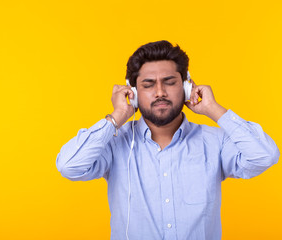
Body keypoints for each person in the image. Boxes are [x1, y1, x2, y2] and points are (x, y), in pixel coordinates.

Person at [56, 40, 280, 240]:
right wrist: (116, 117)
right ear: (132, 92)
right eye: (148, 84)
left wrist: (213, 109)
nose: (160, 92)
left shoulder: (215, 142)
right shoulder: (114, 143)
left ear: (185, 87)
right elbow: (69, 166)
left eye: (170, 82)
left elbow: (265, 155)